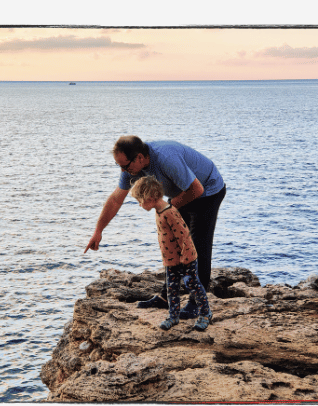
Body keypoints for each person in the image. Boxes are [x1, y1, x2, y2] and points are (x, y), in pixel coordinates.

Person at [84, 135, 226, 319]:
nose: (123, 170)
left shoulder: (166, 158)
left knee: (196, 246)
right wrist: (98, 231)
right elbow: (115, 199)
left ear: (140, 158)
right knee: (173, 245)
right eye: (119, 166)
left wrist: (170, 206)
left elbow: (196, 189)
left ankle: (196, 304)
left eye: (125, 166)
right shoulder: (132, 168)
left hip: (207, 191)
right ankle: (167, 297)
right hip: (184, 192)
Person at [130, 176, 212, 330]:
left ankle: (205, 313)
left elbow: (184, 235)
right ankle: (173, 316)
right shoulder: (158, 210)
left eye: (141, 201)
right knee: (172, 288)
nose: (140, 205)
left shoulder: (170, 213)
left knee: (193, 285)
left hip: (185, 258)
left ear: (152, 198)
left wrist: (186, 258)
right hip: (171, 259)